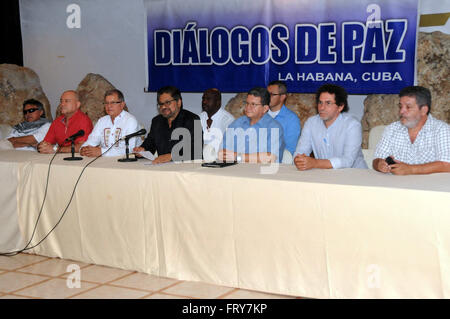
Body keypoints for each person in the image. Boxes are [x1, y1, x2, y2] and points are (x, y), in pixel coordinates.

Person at [373, 86, 450, 175]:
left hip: (430, 186)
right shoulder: (392, 129)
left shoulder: (441, 130)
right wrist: (379, 164)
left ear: (423, 110)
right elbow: (376, 159)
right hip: (396, 184)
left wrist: (411, 169)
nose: (401, 111)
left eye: (408, 107)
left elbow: (446, 164)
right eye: (400, 106)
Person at [294, 83, 367, 170]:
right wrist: (299, 160)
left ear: (340, 106)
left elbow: (347, 161)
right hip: (323, 175)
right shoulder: (311, 123)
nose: (322, 108)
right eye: (320, 102)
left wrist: (315, 163)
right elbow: (300, 152)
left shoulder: (352, 125)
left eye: (328, 103)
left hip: (354, 176)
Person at [133, 86, 202, 163]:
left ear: (179, 102)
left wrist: (171, 156)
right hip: (162, 168)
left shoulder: (193, 119)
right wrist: (143, 150)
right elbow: (150, 144)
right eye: (160, 104)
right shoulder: (156, 121)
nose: (164, 107)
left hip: (185, 169)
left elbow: (197, 150)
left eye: (168, 103)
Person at [218, 87, 285, 163]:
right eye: (247, 103)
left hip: (261, 172)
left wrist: (238, 157)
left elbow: (271, 158)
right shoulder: (237, 123)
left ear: (265, 108)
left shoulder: (274, 128)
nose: (248, 107)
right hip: (235, 171)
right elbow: (222, 152)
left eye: (253, 104)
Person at [80, 89, 140, 157]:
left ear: (122, 105)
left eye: (113, 103)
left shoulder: (130, 121)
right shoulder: (102, 121)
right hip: (104, 161)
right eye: (106, 103)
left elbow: (129, 149)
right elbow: (91, 141)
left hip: (126, 162)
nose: (109, 106)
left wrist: (101, 152)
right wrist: (84, 149)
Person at [266, 80, 301, 155]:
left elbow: (289, 150)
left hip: (280, 163)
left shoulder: (292, 119)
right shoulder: (260, 115)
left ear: (282, 97)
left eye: (272, 94)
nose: (267, 97)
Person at [199, 88, 234, 158]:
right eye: (203, 99)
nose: (204, 102)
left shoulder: (228, 120)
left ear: (218, 102)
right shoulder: (199, 117)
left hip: (220, 161)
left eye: (208, 99)